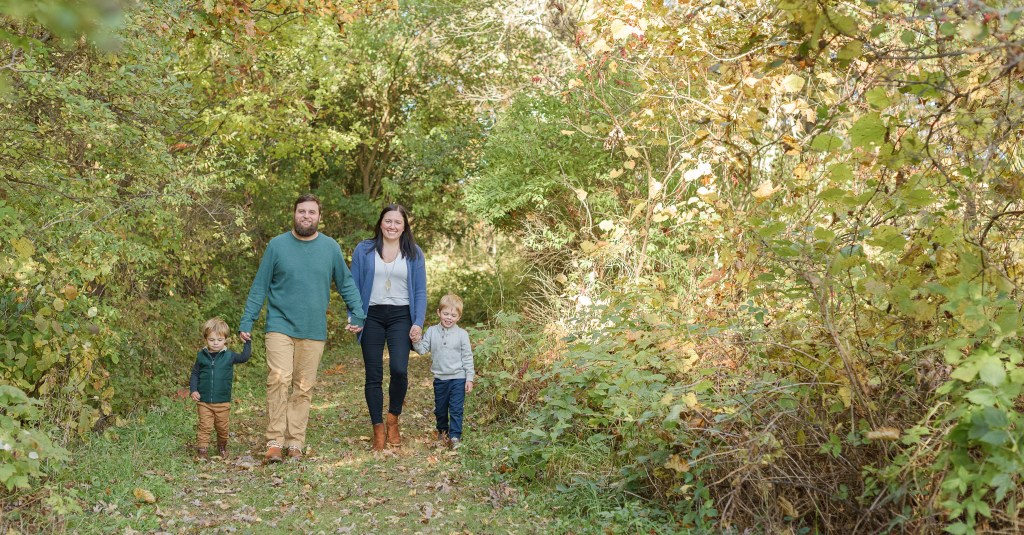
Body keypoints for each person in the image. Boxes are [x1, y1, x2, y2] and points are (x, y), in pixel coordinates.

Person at [239, 193, 365, 464]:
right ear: (294, 214)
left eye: (311, 212)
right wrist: (247, 321)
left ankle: (295, 442)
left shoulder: (330, 248)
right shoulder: (277, 246)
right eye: (301, 211)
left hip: (313, 329)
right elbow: (260, 285)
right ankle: (274, 441)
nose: (306, 216)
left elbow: (346, 283)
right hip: (279, 325)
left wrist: (358, 313)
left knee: (303, 387)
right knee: (279, 378)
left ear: (319, 217)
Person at [350, 204, 427, 450]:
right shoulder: (364, 250)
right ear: (380, 223)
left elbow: (421, 291)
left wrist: (418, 322)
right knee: (373, 375)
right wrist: (354, 316)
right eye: (388, 221)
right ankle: (378, 430)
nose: (392, 226)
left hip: (401, 315)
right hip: (371, 314)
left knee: (399, 369)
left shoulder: (414, 253)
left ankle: (393, 419)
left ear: (404, 227)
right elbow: (352, 285)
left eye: (397, 222)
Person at [413, 294, 475, 450]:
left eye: (453, 315)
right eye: (446, 314)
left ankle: (455, 437)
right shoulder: (432, 331)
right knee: (440, 409)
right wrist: (415, 340)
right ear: (438, 313)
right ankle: (442, 431)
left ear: (459, 317)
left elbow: (467, 357)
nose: (449, 318)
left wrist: (469, 378)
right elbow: (421, 349)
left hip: (458, 378)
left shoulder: (462, 335)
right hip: (440, 379)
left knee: (456, 408)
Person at [189, 317, 252, 459]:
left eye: (219, 340)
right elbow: (195, 374)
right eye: (211, 340)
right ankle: (202, 450)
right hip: (204, 401)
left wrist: (247, 341)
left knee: (222, 428)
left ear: (225, 339)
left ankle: (222, 446)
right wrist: (193, 390)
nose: (215, 343)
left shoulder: (228, 356)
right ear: (206, 339)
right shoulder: (202, 356)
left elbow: (244, 357)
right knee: (204, 426)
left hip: (222, 402)